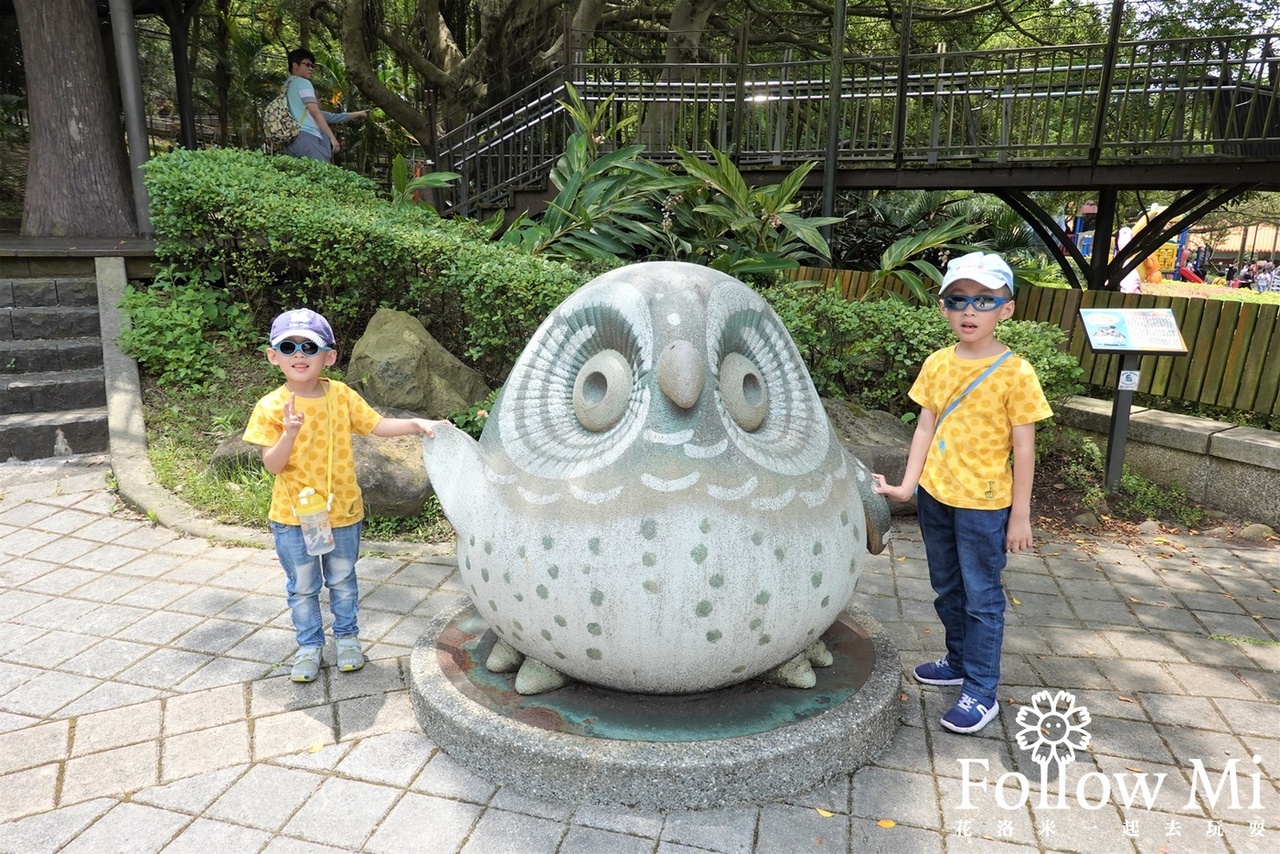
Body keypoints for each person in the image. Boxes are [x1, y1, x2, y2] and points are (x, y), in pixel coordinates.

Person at [871, 252, 1053, 735]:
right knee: (947, 587)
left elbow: (1024, 448)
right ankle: (957, 661)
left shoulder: (1016, 372)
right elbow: (924, 429)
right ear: (944, 307)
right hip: (936, 496)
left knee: (982, 598)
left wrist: (1020, 516)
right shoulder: (937, 364)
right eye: (958, 300)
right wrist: (907, 487)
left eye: (984, 300)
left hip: (985, 505)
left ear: (1006, 309)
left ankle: (980, 688)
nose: (969, 310)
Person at [243, 308, 448, 682]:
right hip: (293, 517)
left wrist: (418, 424)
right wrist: (288, 433)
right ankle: (308, 646)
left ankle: (348, 639)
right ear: (274, 356)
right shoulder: (271, 407)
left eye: (310, 346)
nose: (299, 355)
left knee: (342, 579)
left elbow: (376, 425)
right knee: (303, 587)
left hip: (343, 513)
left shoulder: (340, 395)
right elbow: (272, 465)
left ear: (330, 356)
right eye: (288, 346)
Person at [282, 49, 368, 163]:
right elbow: (315, 113)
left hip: (290, 139)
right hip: (307, 137)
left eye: (312, 65)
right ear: (295, 65)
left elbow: (333, 116)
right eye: (307, 64)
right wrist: (332, 138)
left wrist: (360, 113)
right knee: (323, 174)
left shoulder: (286, 85)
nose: (311, 68)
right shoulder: (303, 83)